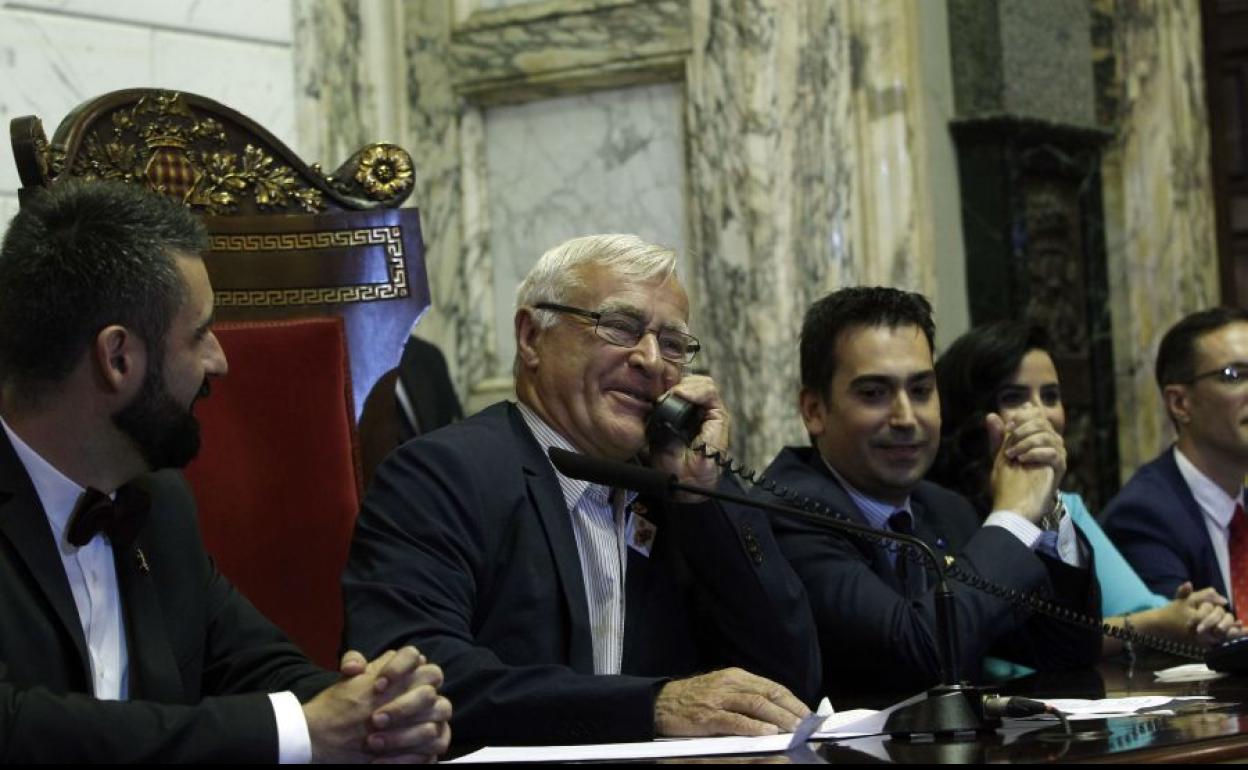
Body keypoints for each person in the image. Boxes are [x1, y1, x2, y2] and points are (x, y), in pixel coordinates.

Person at [0, 180, 451, 763]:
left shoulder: (158, 501)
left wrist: (378, 712)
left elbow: (250, 660)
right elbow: (16, 727)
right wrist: (303, 732)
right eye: (199, 334)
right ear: (117, 358)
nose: (221, 358)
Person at [343, 234, 820, 747]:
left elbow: (789, 683)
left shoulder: (671, 495)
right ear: (530, 337)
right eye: (619, 327)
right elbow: (415, 682)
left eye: (675, 344)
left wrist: (703, 500)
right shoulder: (440, 476)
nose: (652, 360)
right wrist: (650, 707)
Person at [763, 287, 1101, 698]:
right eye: (874, 394)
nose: (907, 417)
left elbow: (1066, 651)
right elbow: (920, 655)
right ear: (814, 410)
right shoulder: (787, 510)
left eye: (921, 391)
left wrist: (1043, 509)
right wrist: (1012, 515)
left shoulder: (945, 508)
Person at [930, 320, 1239, 657]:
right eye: (1014, 398)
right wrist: (1158, 623)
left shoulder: (1065, 506)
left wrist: (1190, 614)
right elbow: (1001, 648)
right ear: (973, 414)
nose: (1041, 414)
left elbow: (1139, 608)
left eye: (1051, 397)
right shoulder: (941, 512)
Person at [1103, 308, 1248, 614]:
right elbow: (1180, 646)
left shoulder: (1241, 507)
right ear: (1180, 403)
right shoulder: (1143, 517)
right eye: (1235, 375)